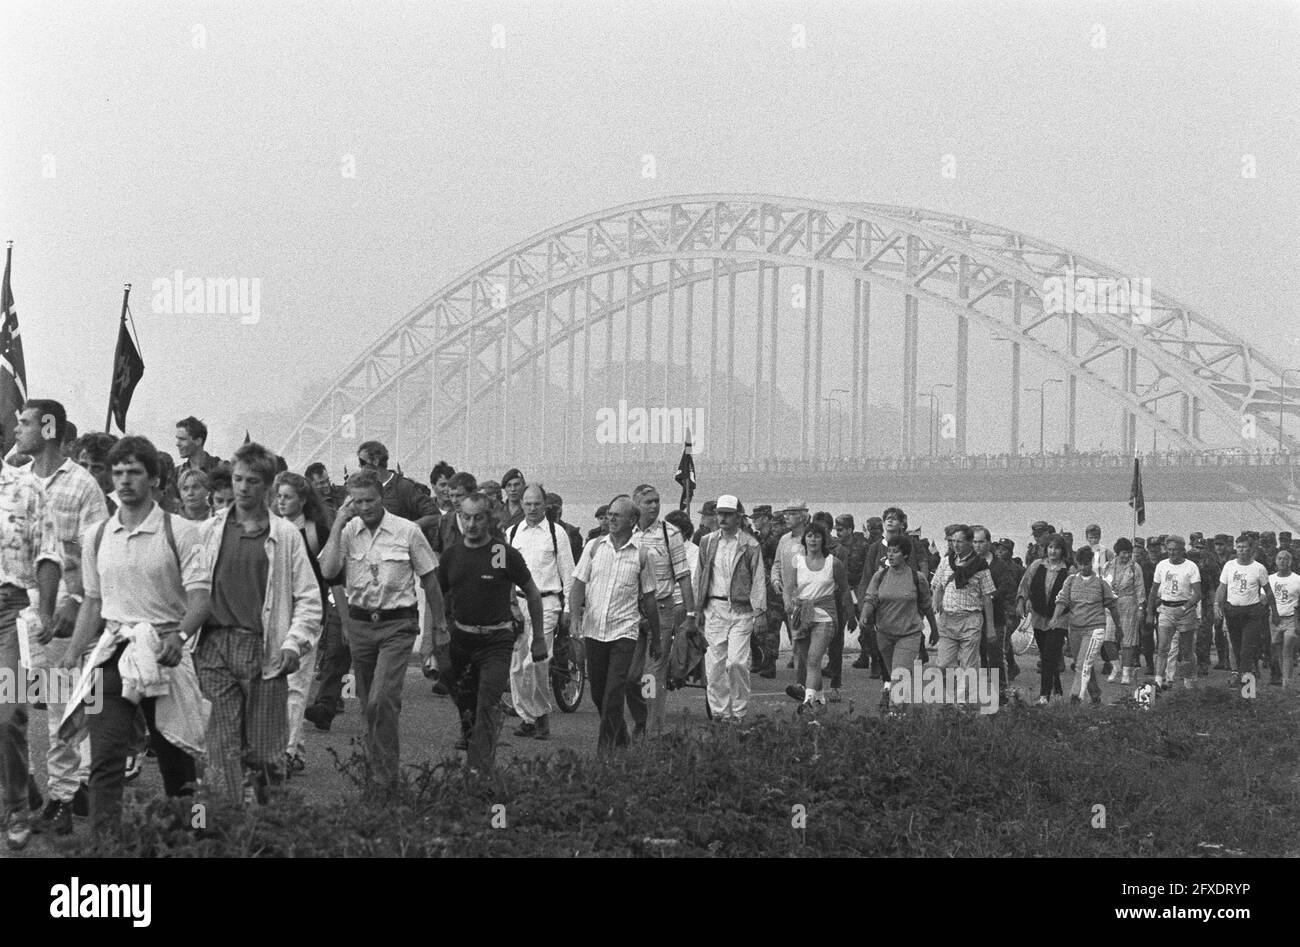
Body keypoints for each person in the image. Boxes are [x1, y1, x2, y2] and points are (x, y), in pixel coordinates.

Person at [59, 436, 205, 842]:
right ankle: (104, 846)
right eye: (118, 472)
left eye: (134, 472)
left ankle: (192, 836)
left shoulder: (182, 531)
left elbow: (200, 599)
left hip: (165, 651)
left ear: (154, 478)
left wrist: (180, 635)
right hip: (113, 651)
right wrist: (72, 654)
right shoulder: (98, 535)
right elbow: (92, 600)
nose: (124, 481)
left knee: (179, 757)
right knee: (105, 758)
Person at [194, 444, 322, 802]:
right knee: (221, 748)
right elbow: (190, 588)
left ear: (266, 486)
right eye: (237, 479)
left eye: (252, 480)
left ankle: (269, 831)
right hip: (216, 647)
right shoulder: (210, 530)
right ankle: (226, 830)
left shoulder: (286, 536)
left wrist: (294, 644)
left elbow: (310, 599)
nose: (243, 487)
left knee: (266, 754)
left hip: (264, 651)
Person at [14, 400, 106, 837]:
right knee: (10, 708)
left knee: (59, 710)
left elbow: (99, 555)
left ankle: (64, 797)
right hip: (13, 608)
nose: (18, 429)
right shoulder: (12, 479)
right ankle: (24, 789)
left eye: (26, 422)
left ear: (49, 428)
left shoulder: (84, 486)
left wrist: (78, 599)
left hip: (62, 611)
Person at [318, 468, 445, 786]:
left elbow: (430, 580)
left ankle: (386, 779)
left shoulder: (407, 531)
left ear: (381, 498)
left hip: (397, 625)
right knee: (369, 706)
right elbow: (329, 570)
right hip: (361, 625)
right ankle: (376, 773)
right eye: (357, 501)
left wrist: (438, 627)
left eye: (370, 500)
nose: (365, 507)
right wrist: (337, 522)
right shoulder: (347, 532)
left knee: (380, 700)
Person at [439, 492, 545, 770]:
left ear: (489, 518)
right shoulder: (451, 556)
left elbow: (533, 594)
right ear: (459, 518)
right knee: (466, 702)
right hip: (461, 640)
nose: (471, 524)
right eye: (466, 517)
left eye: (478, 517)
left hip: (496, 641)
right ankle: (472, 733)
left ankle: (478, 772)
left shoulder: (503, 553)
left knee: (487, 702)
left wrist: (539, 640)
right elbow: (435, 596)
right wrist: (433, 636)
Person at [569, 496, 660, 751]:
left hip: (624, 633)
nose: (610, 519)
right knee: (598, 694)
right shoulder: (594, 547)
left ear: (632, 520)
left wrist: (657, 639)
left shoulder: (642, 555)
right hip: (595, 631)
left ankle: (605, 754)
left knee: (613, 694)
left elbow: (650, 600)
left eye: (616, 515)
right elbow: (578, 585)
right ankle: (622, 740)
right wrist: (575, 617)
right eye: (608, 514)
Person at [272, 471, 336, 772]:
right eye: (279, 496)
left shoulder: (315, 531)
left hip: (307, 614)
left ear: (302, 499)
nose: (281, 501)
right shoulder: (269, 529)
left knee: (296, 685)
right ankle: (295, 747)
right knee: (276, 684)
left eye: (288, 496)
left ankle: (285, 750)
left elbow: (330, 576)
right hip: (274, 615)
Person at [505, 484, 575, 740]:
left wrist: (568, 609)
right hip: (519, 605)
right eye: (528, 503)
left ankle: (542, 716)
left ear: (545, 505)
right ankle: (527, 718)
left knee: (535, 662)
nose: (532, 509)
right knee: (515, 667)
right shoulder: (511, 533)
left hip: (547, 604)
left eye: (537, 504)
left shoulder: (558, 535)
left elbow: (569, 574)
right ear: (521, 504)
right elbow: (503, 574)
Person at [629, 484, 696, 735]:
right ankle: (641, 718)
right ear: (636, 504)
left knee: (652, 673)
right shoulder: (627, 533)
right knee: (631, 676)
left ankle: (653, 728)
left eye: (657, 501)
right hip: (632, 611)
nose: (655, 506)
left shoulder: (671, 534)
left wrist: (690, 615)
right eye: (648, 502)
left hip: (662, 609)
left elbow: (684, 575)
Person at [694, 495, 766, 724]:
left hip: (741, 610)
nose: (723, 518)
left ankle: (739, 712)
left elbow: (758, 579)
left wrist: (760, 611)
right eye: (720, 513)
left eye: (728, 513)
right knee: (714, 667)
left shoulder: (750, 544)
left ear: (738, 517)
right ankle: (720, 714)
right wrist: (696, 609)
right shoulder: (707, 542)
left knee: (736, 662)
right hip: (714, 609)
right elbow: (700, 576)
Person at [858, 534, 937, 711]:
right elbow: (870, 598)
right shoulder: (880, 576)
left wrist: (934, 628)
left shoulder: (917, 578)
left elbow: (926, 605)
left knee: (899, 675)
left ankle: (895, 713)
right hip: (884, 634)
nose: (891, 556)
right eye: (889, 552)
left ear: (906, 555)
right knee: (896, 675)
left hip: (909, 634)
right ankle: (901, 709)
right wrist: (864, 615)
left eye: (896, 552)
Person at [783, 521, 849, 711]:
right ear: (805, 539)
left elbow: (844, 590)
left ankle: (809, 701)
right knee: (809, 661)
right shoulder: (797, 562)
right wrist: (788, 603)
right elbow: (788, 589)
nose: (813, 539)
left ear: (823, 540)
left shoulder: (833, 563)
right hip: (801, 615)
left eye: (817, 536)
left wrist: (851, 615)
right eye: (810, 535)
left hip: (825, 616)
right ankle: (820, 698)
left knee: (813, 658)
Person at [1052, 545, 1123, 705]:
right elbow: (1062, 600)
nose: (1085, 567)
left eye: (1087, 564)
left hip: (1095, 627)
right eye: (1081, 564)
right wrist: (1055, 617)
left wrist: (1118, 627)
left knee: (1082, 664)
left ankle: (1076, 696)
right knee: (1083, 663)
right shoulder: (1070, 581)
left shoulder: (1101, 583)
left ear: (1092, 563)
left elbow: (1112, 606)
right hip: (1076, 628)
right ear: (1077, 564)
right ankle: (1095, 694)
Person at [930, 524, 996, 674]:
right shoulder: (946, 562)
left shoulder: (980, 566)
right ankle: (956, 691)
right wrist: (936, 600)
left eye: (959, 541)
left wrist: (990, 628)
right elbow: (938, 585)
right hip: (948, 619)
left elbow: (987, 597)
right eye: (953, 541)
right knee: (944, 665)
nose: (955, 545)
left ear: (969, 542)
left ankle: (963, 696)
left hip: (970, 619)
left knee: (968, 666)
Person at [1016, 533, 1072, 705]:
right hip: (1039, 616)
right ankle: (1057, 688)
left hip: (1060, 617)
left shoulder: (1068, 569)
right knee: (1047, 655)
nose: (1053, 551)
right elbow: (1025, 584)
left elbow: (1074, 594)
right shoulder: (1036, 565)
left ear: (1062, 550)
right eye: (1050, 547)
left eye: (1056, 548)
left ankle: (1043, 696)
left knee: (1049, 655)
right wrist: (1021, 601)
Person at [1214, 534, 1277, 686]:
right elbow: (1222, 588)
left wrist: (1271, 610)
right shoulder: (1229, 566)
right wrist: (1217, 605)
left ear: (1251, 549)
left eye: (1245, 547)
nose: (1241, 550)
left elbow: (1268, 591)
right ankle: (1243, 677)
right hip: (1233, 611)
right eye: (1239, 547)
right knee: (1236, 648)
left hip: (1252, 613)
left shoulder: (1258, 568)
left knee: (1246, 649)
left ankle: (1245, 685)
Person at [1145, 536, 1201, 691]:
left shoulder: (1191, 567)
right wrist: (1150, 612)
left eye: (1175, 550)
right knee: (1162, 646)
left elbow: (1197, 593)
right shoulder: (1162, 565)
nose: (1171, 553)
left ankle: (1189, 680)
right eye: (1169, 550)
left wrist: (1184, 609)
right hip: (1166, 608)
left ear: (1182, 550)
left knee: (1186, 650)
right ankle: (1158, 680)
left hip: (1185, 609)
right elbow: (1154, 590)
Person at [355, 440, 438, 532]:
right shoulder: (365, 489)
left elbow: (434, 515)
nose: (359, 466)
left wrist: (406, 529)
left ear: (375, 461)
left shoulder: (403, 487)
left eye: (362, 462)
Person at [973, 526, 1016, 701]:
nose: (977, 546)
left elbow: (1007, 585)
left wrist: (991, 595)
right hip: (974, 618)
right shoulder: (970, 563)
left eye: (981, 542)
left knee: (996, 657)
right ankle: (985, 693)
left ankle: (1002, 693)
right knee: (980, 657)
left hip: (996, 617)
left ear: (988, 543)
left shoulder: (999, 565)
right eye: (974, 542)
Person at [1102, 538, 1145, 684]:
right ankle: (1116, 666)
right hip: (1111, 605)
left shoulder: (1135, 567)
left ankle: (1126, 671)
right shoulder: (1108, 565)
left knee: (1127, 640)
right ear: (1117, 552)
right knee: (1107, 639)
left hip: (1128, 604)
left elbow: (1140, 587)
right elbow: (1102, 584)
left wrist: (1140, 607)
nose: (1126, 556)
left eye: (1129, 553)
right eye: (1123, 553)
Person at [171, 416, 224, 500]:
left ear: (198, 441)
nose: (177, 444)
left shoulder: (220, 468)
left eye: (182, 439)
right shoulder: (176, 474)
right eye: (177, 439)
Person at [1269, 549, 1300, 689]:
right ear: (1276, 561)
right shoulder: (1270, 579)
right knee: (1279, 650)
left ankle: (1286, 683)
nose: (1283, 561)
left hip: (1292, 619)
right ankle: (1286, 679)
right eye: (1280, 558)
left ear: (1291, 562)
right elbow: (1265, 598)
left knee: (1287, 650)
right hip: (1275, 619)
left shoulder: (1297, 579)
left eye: (1286, 559)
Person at [545, 491, 584, 563]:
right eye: (548, 508)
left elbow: (576, 560)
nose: (550, 511)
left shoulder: (572, 532)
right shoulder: (535, 529)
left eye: (554, 508)